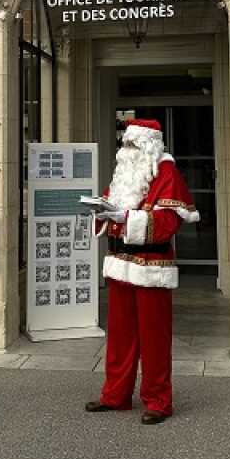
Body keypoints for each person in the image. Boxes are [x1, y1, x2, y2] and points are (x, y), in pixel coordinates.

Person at [85, 118, 199, 424]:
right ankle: (115, 395)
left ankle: (158, 401)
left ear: (149, 144)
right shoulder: (124, 173)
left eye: (133, 144)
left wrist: (126, 218)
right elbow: (111, 209)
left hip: (152, 268)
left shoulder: (166, 173)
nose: (126, 148)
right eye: (125, 143)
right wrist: (103, 211)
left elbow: (167, 224)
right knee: (120, 336)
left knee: (154, 339)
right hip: (121, 264)